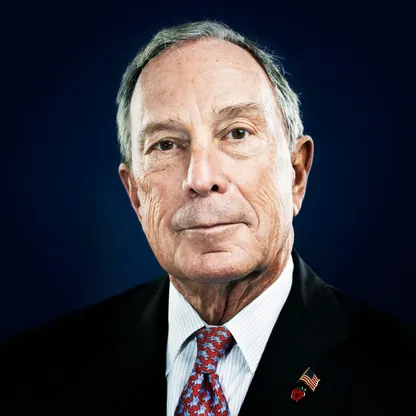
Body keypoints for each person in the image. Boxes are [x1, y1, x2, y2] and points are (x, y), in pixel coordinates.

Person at [1, 20, 415, 416]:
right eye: (166, 144)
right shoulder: (29, 374)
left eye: (237, 133)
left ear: (296, 174)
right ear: (136, 195)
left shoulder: (399, 375)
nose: (201, 179)